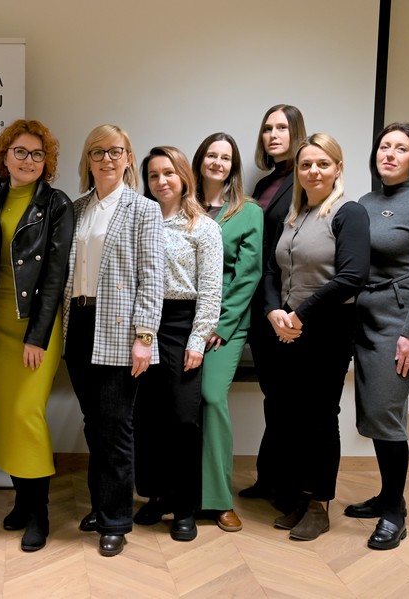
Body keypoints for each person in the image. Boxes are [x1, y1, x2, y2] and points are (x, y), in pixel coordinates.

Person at [263, 133, 370, 540]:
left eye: (323, 164)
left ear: (338, 168)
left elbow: (353, 277)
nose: (313, 171)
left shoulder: (349, 212)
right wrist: (274, 311)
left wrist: (298, 314)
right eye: (306, 164)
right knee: (292, 417)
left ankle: (319, 504)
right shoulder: (294, 215)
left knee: (321, 417)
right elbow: (272, 270)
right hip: (287, 329)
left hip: (327, 330)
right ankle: (300, 496)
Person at [64, 124, 164, 557]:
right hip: (79, 323)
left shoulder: (144, 210)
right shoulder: (76, 208)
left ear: (128, 158)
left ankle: (116, 520)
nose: (106, 159)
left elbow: (152, 277)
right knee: (95, 424)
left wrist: (144, 336)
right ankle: (102, 506)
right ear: (87, 160)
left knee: (116, 426)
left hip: (119, 329)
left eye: (115, 151)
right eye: (97, 152)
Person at [347, 123, 409, 550]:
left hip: (405, 319)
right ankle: (389, 495)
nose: (388, 154)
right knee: (377, 412)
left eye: (400, 148)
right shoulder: (363, 204)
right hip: (367, 317)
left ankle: (393, 513)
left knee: (384, 411)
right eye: (384, 146)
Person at [0, 120, 73, 552]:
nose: (29, 160)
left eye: (38, 154)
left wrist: (37, 335)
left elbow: (55, 276)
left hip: (35, 325)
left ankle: (39, 514)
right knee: (6, 416)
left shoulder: (57, 204)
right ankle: (21, 500)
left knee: (27, 415)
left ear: (46, 161)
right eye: (20, 151)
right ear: (5, 156)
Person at [133, 146, 222, 542]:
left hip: (182, 324)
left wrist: (198, 339)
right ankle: (158, 496)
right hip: (143, 324)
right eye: (153, 175)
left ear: (184, 176)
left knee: (183, 419)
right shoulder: (141, 221)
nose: (161, 181)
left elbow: (211, 291)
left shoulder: (203, 227)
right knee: (147, 418)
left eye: (168, 173)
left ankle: (185, 507)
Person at [191, 133, 264, 534]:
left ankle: (219, 500)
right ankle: (181, 495)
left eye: (225, 157)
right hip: (180, 321)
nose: (217, 162)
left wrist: (220, 324)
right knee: (179, 405)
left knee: (211, 397)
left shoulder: (248, 212)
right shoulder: (181, 205)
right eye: (212, 155)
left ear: (233, 166)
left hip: (224, 326)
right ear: (200, 160)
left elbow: (248, 275)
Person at [242, 105, 307, 506]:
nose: (273, 135)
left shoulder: (305, 178)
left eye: (282, 127)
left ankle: (290, 487)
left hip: (287, 305)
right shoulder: (265, 183)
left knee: (290, 399)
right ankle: (269, 477)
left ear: (297, 132)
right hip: (259, 303)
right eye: (268, 128)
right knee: (274, 396)